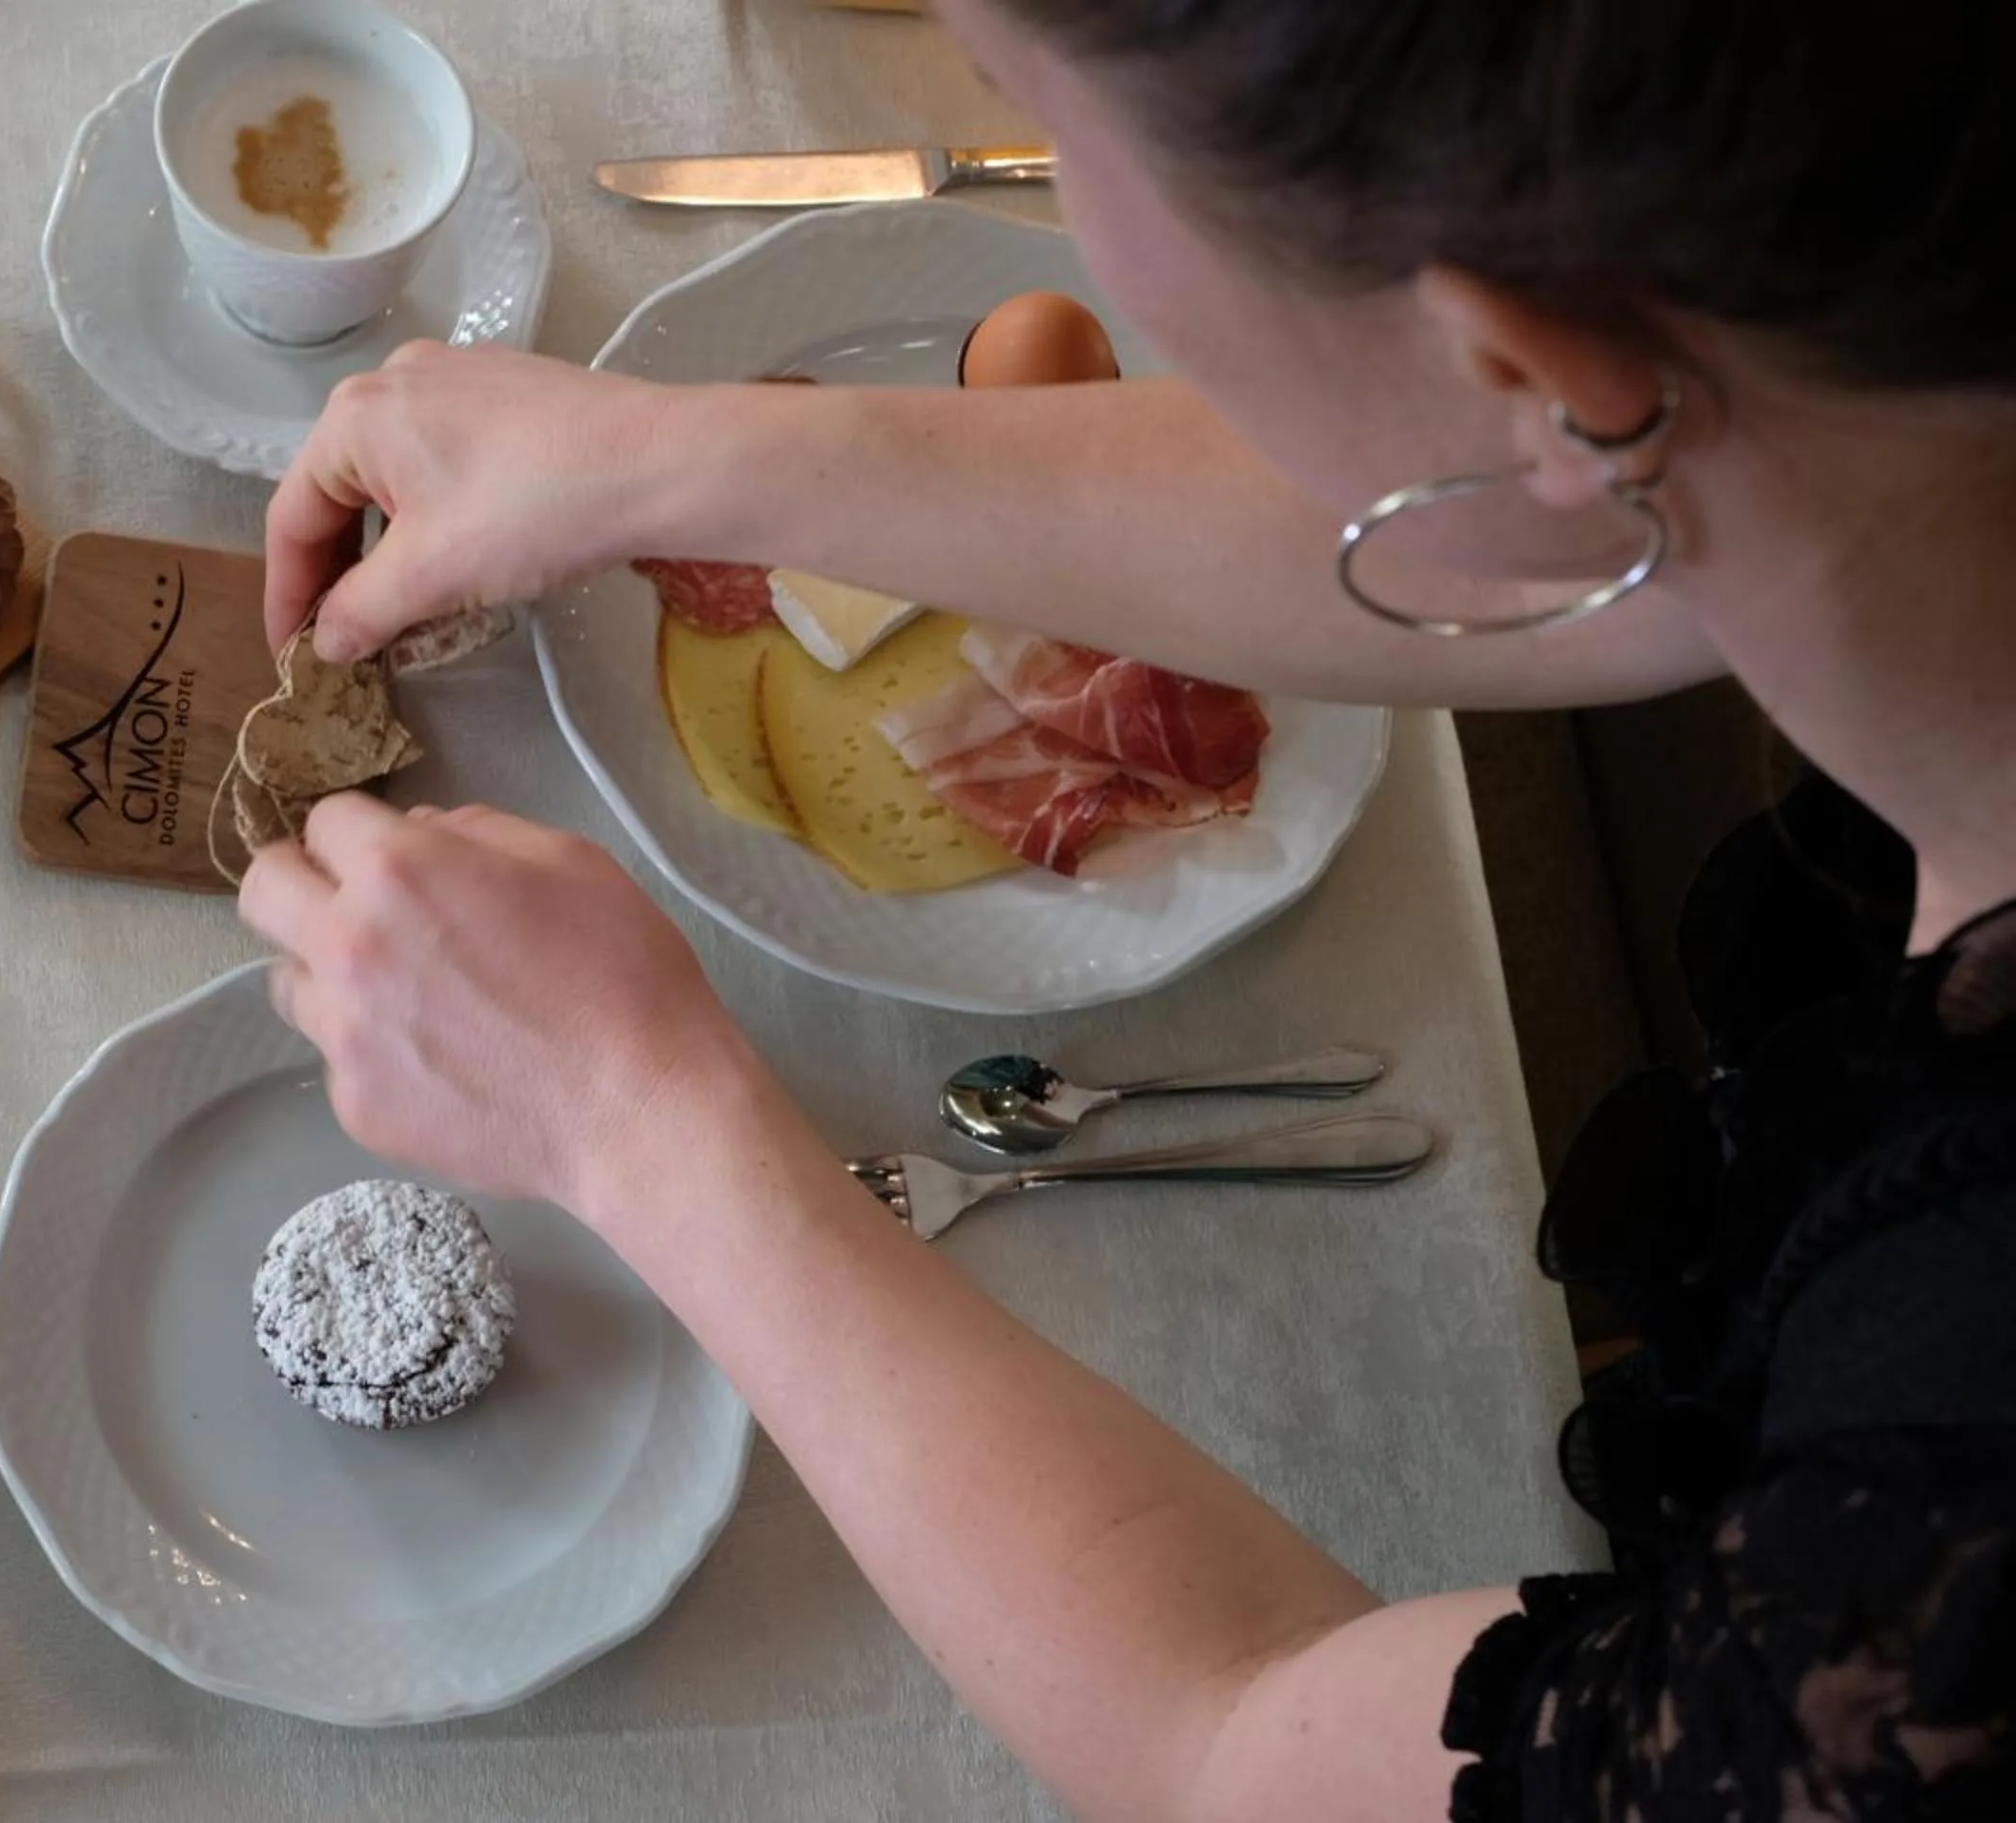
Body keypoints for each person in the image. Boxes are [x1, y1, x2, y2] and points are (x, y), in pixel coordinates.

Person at [234, 3, 2016, 1815]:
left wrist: (640, 1120)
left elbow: (1230, 1735)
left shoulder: (1930, 1572)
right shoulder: (1892, 424)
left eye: (1043, 129)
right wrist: (658, 462)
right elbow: (1570, 524)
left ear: (1524, 355)